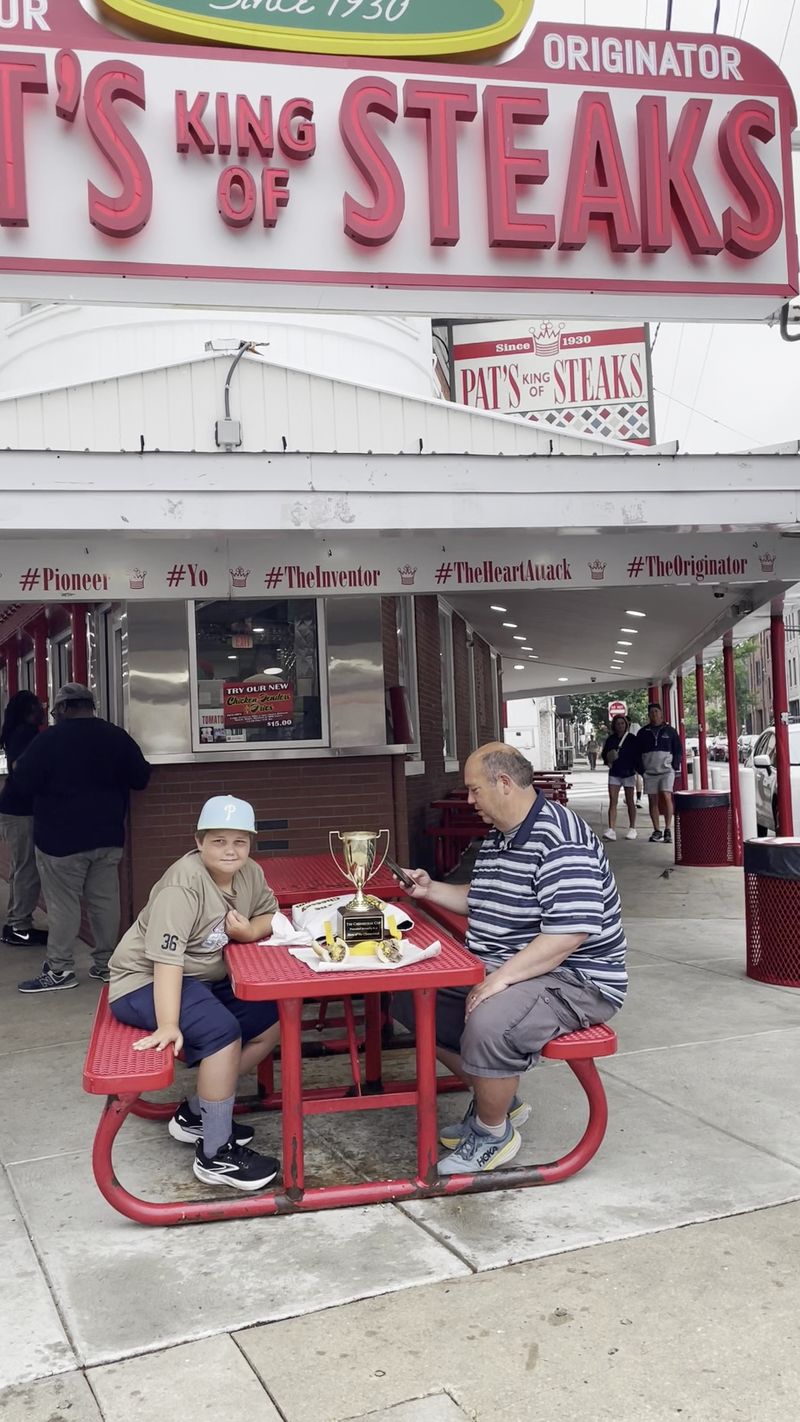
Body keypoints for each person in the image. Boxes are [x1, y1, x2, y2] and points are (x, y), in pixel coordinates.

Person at [392, 743, 626, 1176]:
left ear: (503, 783)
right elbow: (482, 899)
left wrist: (499, 979)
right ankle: (498, 1098)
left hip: (575, 978)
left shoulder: (560, 837)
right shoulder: (502, 834)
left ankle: (492, 1132)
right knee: (410, 997)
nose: (469, 800)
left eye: (474, 790)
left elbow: (569, 932)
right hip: (514, 966)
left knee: (489, 1021)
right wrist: (429, 890)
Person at [108, 795, 281, 1192]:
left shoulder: (250, 873)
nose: (230, 850)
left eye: (239, 841)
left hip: (198, 979)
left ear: (250, 843)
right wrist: (169, 1023)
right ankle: (215, 1155)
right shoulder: (182, 885)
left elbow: (270, 912)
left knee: (271, 1019)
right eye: (218, 841)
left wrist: (250, 931)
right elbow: (166, 962)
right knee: (222, 1034)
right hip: (143, 980)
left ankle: (197, 1114)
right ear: (199, 841)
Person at [14, 683, 151, 993]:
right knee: (105, 903)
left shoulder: (46, 741)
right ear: (90, 705)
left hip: (59, 841)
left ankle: (61, 970)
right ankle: (107, 965)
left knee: (63, 905)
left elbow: (22, 784)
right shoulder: (116, 736)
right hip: (107, 835)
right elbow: (141, 778)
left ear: (63, 709)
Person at [0, 691, 48, 947]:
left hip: (13, 809)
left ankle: (15, 922)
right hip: (21, 811)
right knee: (27, 870)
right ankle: (20, 926)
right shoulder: (26, 735)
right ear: (30, 709)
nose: (43, 708)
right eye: (39, 705)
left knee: (20, 869)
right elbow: (25, 770)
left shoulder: (16, 733)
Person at [635, 703, 683, 844]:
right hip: (649, 772)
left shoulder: (670, 731)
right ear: (649, 715)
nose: (654, 715)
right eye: (651, 712)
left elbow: (678, 750)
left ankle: (668, 829)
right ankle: (657, 830)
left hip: (667, 770)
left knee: (667, 795)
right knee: (652, 800)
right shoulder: (643, 733)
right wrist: (641, 770)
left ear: (661, 714)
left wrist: (674, 765)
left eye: (656, 712)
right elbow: (637, 753)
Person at [601, 714, 638, 842]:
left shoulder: (632, 739)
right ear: (614, 726)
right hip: (615, 773)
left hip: (628, 773)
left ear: (626, 725)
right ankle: (611, 829)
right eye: (618, 724)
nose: (620, 726)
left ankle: (632, 828)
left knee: (630, 801)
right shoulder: (611, 740)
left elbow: (637, 755)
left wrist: (638, 769)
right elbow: (604, 755)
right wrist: (608, 760)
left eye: (622, 723)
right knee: (613, 801)